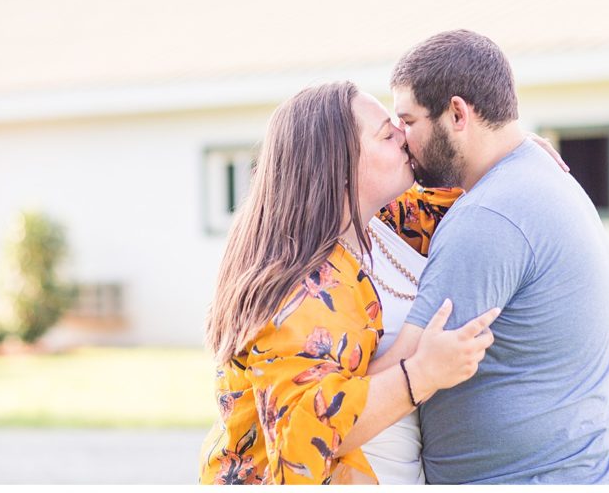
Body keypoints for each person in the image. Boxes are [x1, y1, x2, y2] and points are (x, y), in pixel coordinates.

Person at [197, 81, 500, 484]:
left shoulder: (387, 221)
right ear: (338, 167)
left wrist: (510, 151)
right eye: (387, 135)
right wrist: (423, 372)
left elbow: (473, 187)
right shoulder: (295, 286)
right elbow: (303, 437)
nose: (403, 137)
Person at [373, 29, 609, 484]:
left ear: (457, 113)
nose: (403, 140)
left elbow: (401, 369)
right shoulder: (536, 178)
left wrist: (295, 400)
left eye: (409, 121)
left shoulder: (488, 215)